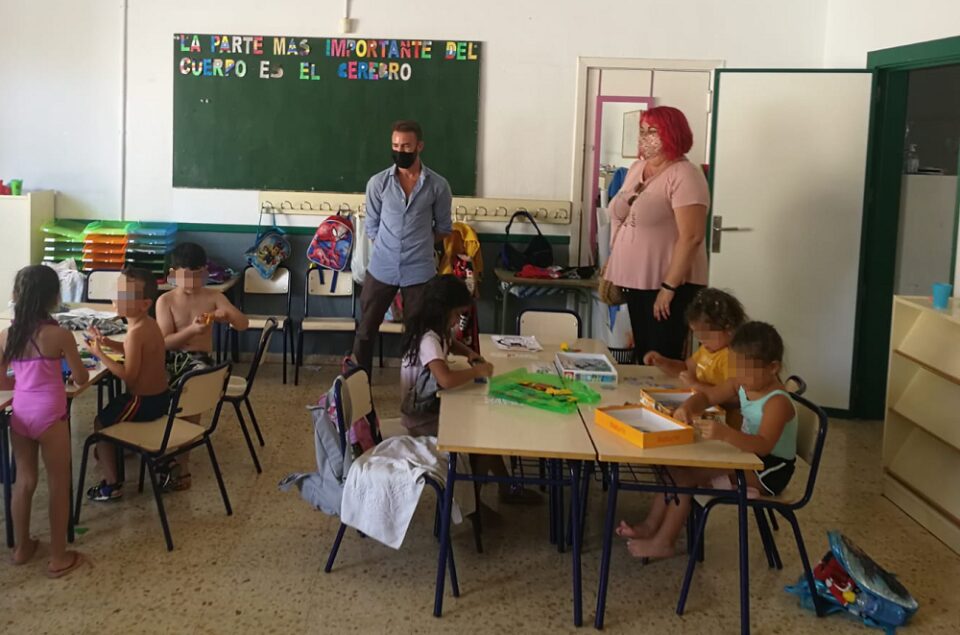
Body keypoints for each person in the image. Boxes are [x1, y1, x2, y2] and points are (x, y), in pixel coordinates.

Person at [617, 322, 798, 559]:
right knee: (673, 467)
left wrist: (725, 434)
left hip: (769, 469)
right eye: (737, 368)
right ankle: (650, 526)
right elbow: (707, 396)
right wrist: (688, 407)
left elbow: (764, 445)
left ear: (773, 368)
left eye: (747, 371)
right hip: (746, 453)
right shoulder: (741, 382)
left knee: (685, 476)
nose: (740, 376)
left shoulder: (777, 402)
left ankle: (664, 542)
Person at [400, 274, 539, 504]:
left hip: (429, 407)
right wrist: (476, 371)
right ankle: (474, 505)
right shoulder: (428, 340)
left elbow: (451, 342)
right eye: (456, 315)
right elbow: (446, 380)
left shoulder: (435, 330)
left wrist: (470, 353)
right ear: (442, 310)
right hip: (420, 419)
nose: (457, 321)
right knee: (481, 436)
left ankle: (505, 487)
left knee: (485, 428)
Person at [0, 265, 89, 577]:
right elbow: (80, 378)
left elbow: (2, 382)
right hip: (51, 414)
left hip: (21, 413)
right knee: (58, 484)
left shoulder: (7, 336)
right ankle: (58, 557)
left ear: (17, 295)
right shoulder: (60, 335)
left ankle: (21, 548)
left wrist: (26, 383)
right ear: (54, 298)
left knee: (24, 481)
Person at [604, 106, 709, 363]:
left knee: (660, 356)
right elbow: (621, 215)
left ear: (672, 134)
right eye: (642, 131)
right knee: (642, 354)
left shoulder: (686, 175)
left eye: (653, 131)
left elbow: (692, 237)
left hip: (668, 283)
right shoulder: (636, 168)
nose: (645, 137)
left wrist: (668, 287)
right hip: (636, 280)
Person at [352, 120, 453, 374]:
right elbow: (372, 226)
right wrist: (391, 245)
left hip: (420, 270)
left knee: (421, 334)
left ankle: (417, 384)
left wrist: (419, 243)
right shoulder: (378, 183)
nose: (400, 151)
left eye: (406, 146)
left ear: (419, 146)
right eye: (395, 145)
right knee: (365, 331)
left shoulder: (438, 186)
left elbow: (443, 228)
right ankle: (358, 383)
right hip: (381, 268)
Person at [155, 242, 248, 490]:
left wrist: (225, 315)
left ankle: (182, 465)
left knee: (192, 389)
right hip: (171, 358)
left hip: (199, 362)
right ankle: (150, 446)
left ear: (205, 272)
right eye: (186, 276)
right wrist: (192, 330)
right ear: (173, 274)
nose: (192, 282)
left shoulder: (213, 296)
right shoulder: (165, 301)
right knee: (146, 382)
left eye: (197, 275)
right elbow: (164, 343)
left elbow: (243, 324)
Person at [84, 267, 171, 502]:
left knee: (100, 423)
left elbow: (129, 377)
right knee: (111, 413)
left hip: (143, 402)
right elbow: (133, 351)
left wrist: (100, 354)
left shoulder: (135, 333)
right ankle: (122, 449)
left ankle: (112, 484)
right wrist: (107, 342)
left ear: (144, 304)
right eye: (117, 292)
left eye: (125, 295)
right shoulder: (147, 324)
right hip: (161, 398)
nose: (116, 298)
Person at [643, 287, 746, 406]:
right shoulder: (708, 348)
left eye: (706, 336)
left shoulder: (733, 357)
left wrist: (696, 385)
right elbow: (686, 368)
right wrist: (662, 362)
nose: (702, 341)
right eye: (698, 336)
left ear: (729, 329)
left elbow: (735, 398)